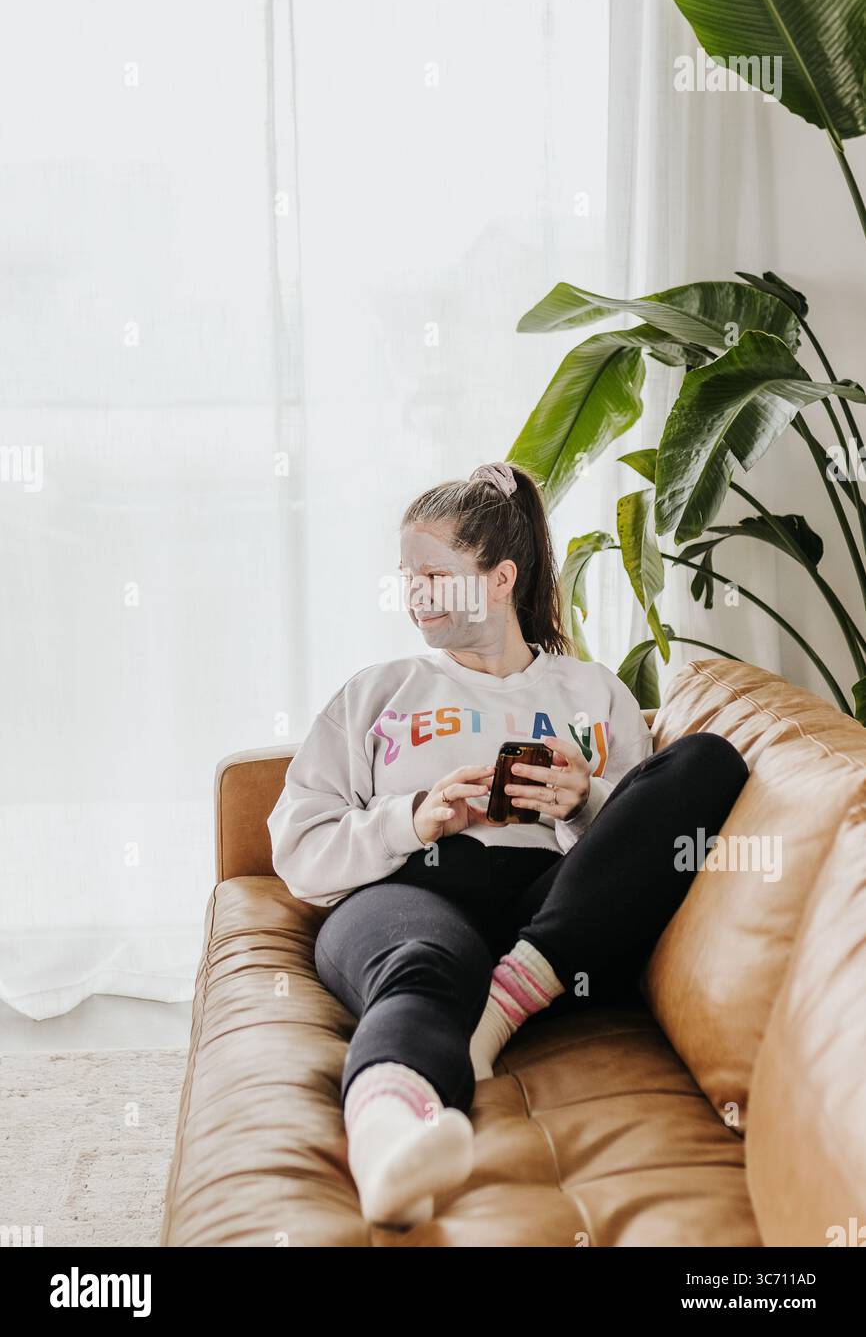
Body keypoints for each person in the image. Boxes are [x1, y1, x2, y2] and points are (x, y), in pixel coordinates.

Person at [267, 461, 749, 1228]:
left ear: (499, 580)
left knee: (708, 759)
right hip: (412, 893)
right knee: (419, 970)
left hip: (556, 913)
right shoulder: (380, 691)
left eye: (433, 574)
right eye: (406, 575)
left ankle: (504, 1001)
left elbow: (638, 853)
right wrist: (413, 817)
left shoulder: (594, 694)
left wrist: (583, 803)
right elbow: (297, 844)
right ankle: (389, 1152)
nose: (412, 593)